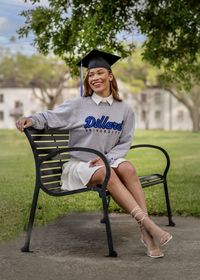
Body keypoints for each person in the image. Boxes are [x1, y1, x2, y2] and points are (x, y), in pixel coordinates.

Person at [16, 49, 172, 258]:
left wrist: (108, 158)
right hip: (80, 165)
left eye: (100, 73)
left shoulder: (124, 109)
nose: (95, 78)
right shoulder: (78, 105)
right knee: (107, 171)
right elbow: (50, 117)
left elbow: (125, 142)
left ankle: (145, 230)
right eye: (91, 74)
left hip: (106, 162)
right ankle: (150, 227)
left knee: (127, 166)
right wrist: (32, 120)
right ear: (87, 79)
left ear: (110, 76)